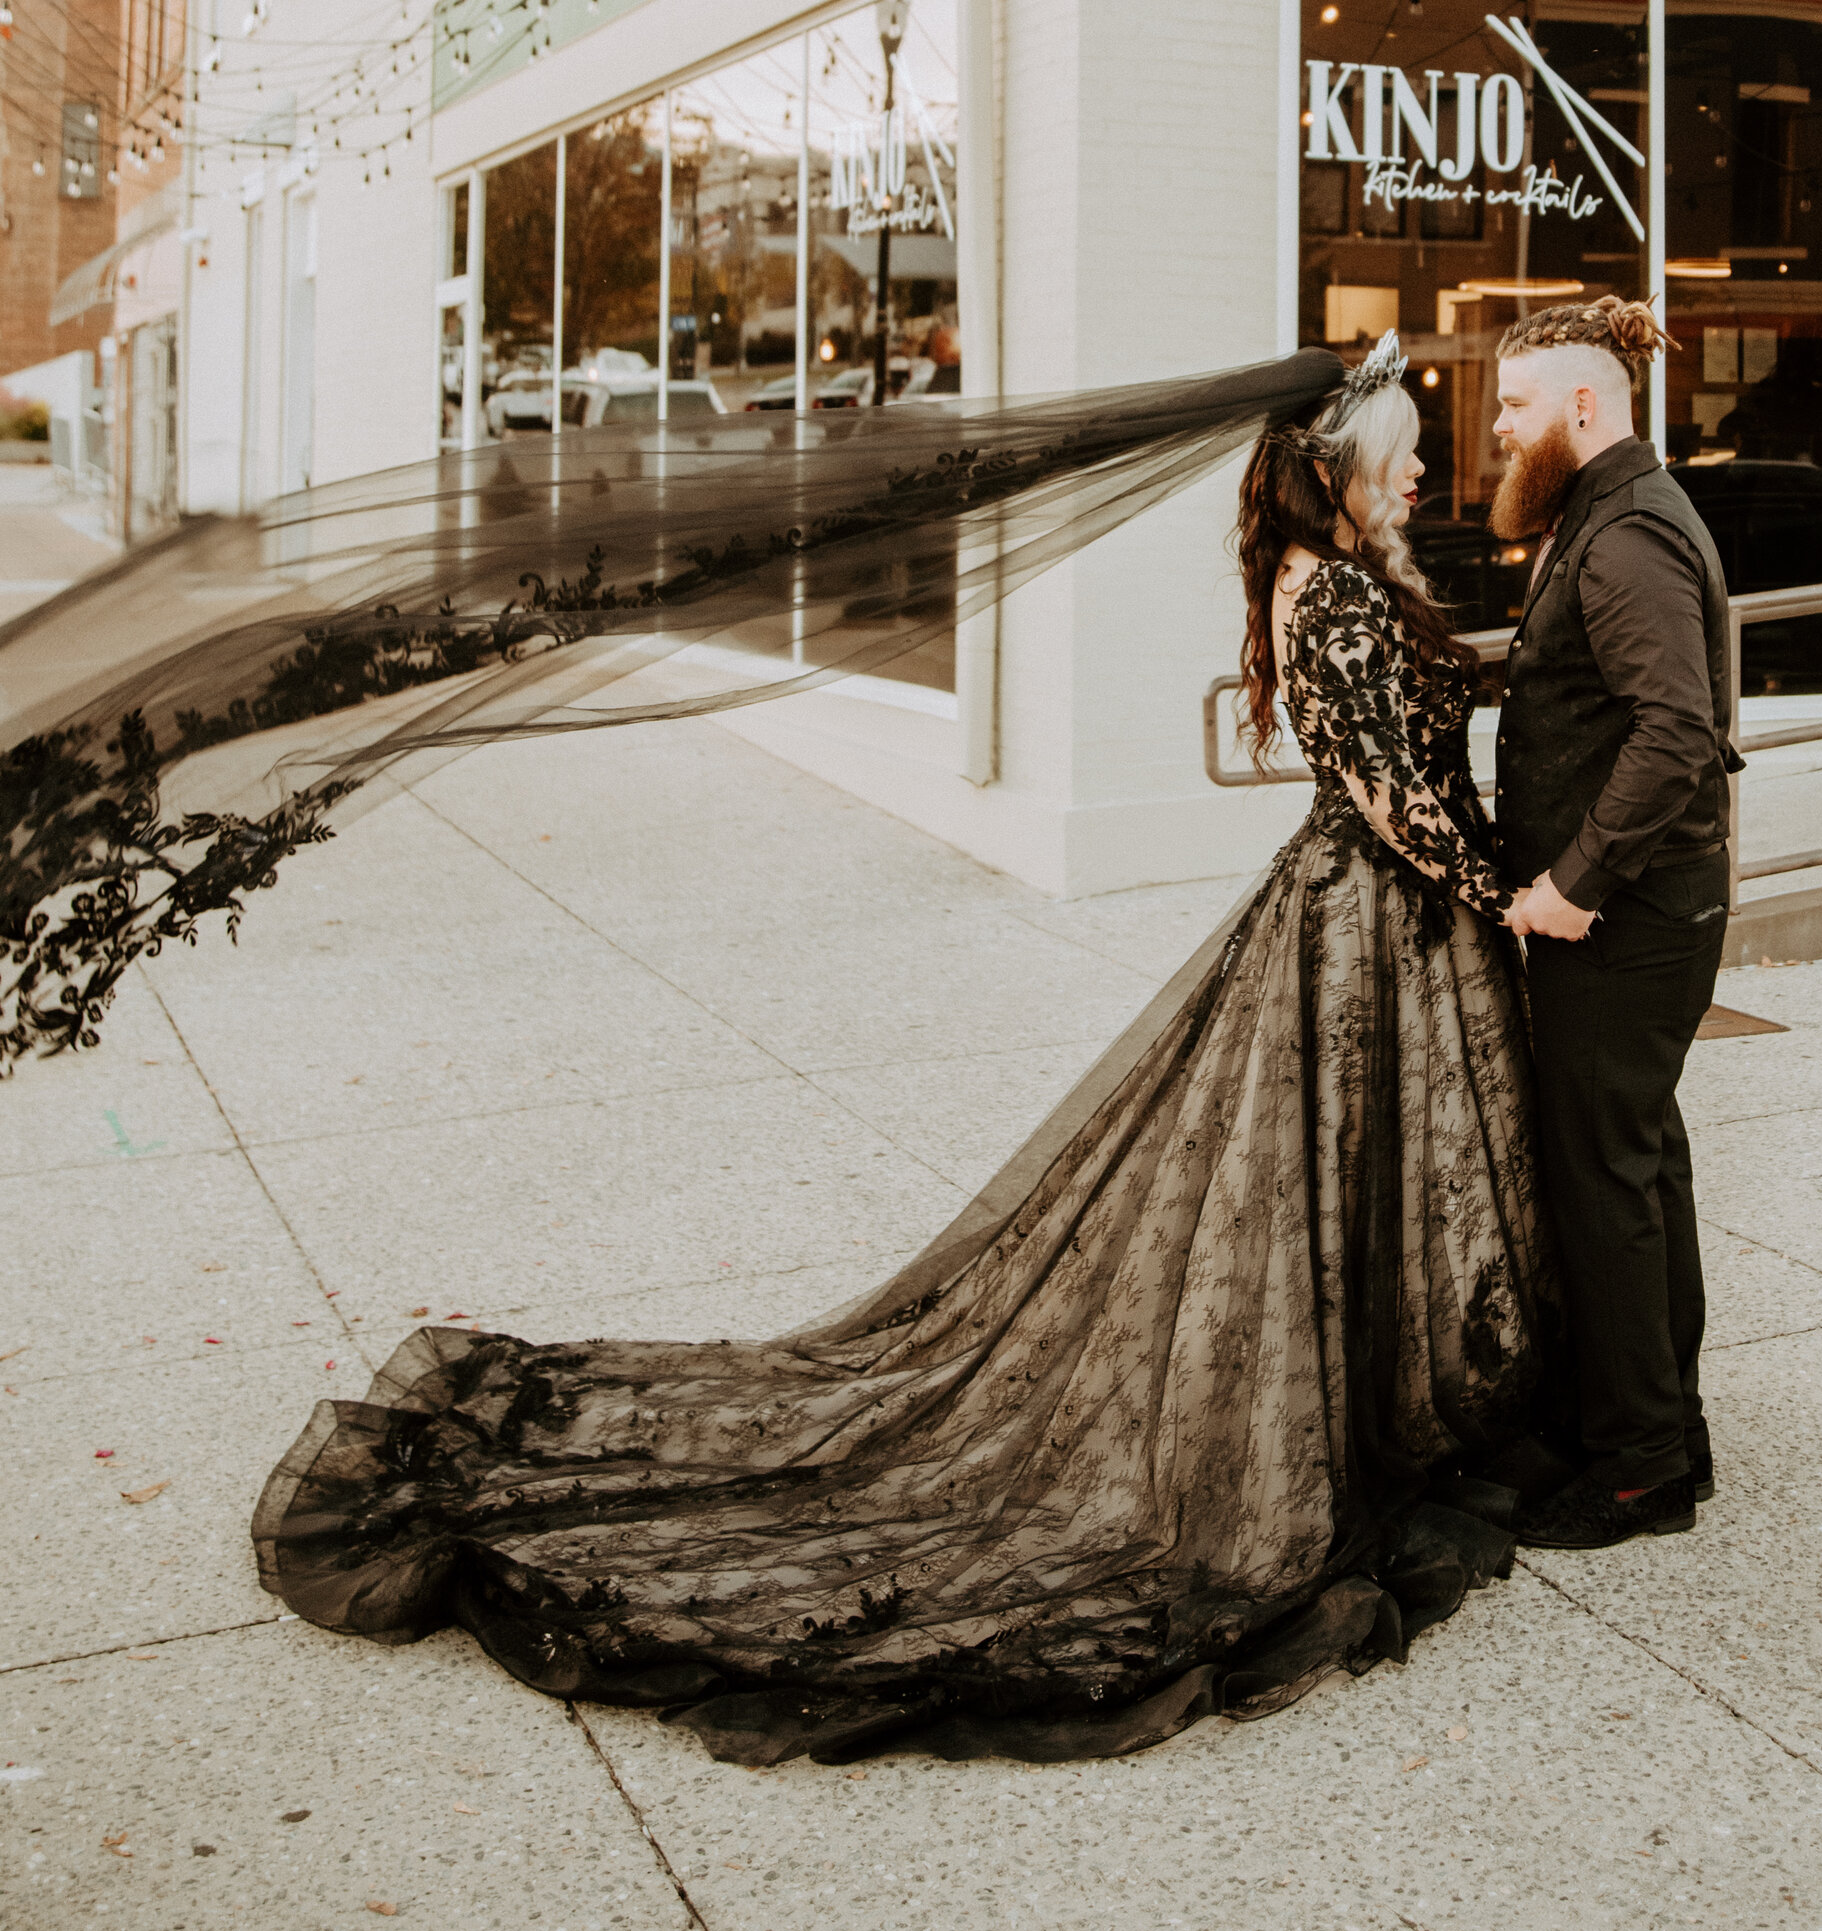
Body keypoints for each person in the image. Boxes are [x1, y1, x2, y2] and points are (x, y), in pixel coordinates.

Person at [248, 334, 1557, 1767]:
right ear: (1339, 465)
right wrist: (1509, 895)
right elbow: (1387, 795)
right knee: (1318, 1176)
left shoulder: (1338, 585)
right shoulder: (1344, 599)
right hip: (1371, 920)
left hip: (1370, 921)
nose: (1427, 462)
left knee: (1319, 1187)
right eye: (1407, 445)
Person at [1492, 296, 1737, 1553]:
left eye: (1516, 404)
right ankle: (1656, 1430)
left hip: (1626, 919)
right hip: (1645, 912)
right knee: (1638, 1170)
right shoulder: (1606, 512)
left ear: (1581, 407)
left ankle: (1639, 1471)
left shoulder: (1625, 530)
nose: (1498, 428)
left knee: (1605, 1186)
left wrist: (1572, 886)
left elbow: (1674, 734)